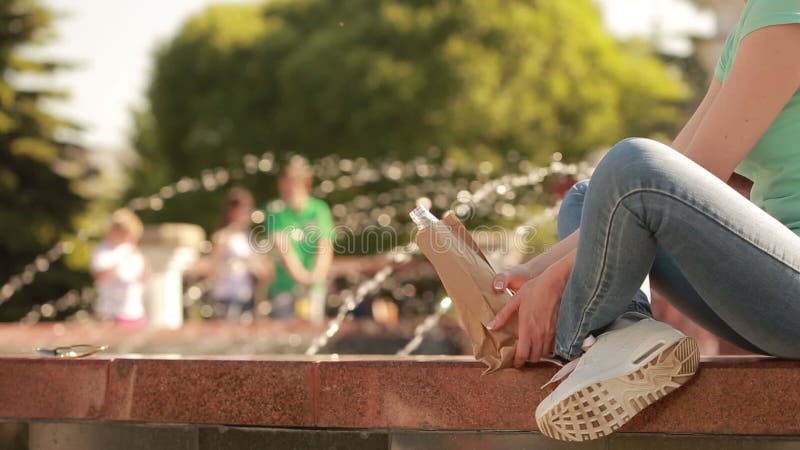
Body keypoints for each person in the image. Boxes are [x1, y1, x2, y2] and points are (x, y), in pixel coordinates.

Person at [486, 1, 800, 442]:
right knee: (591, 195)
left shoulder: (785, 9)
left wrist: (556, 282)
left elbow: (687, 174)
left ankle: (578, 342)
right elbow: (678, 167)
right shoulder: (752, 24)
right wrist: (528, 273)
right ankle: (625, 333)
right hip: (776, 293)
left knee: (631, 167)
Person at [265, 156, 334, 323]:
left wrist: (315, 277)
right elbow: (284, 249)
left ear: (305, 183)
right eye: (285, 181)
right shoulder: (275, 210)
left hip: (315, 287)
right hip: (284, 286)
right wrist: (303, 278)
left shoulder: (319, 209)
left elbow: (325, 247)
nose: (287, 187)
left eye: (292, 182)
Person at [196, 187, 273, 322]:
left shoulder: (252, 238)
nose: (240, 212)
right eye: (236, 208)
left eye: (244, 208)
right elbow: (213, 267)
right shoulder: (222, 237)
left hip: (246, 299)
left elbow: (265, 273)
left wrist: (258, 266)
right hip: (224, 298)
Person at [91, 208, 147, 326]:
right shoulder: (104, 249)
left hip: (134, 312)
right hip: (110, 313)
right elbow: (99, 275)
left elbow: (143, 276)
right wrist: (121, 258)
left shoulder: (133, 250)